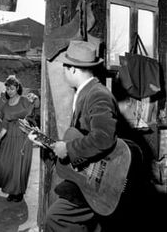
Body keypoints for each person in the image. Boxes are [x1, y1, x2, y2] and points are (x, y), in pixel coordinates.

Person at [28, 40, 123, 232]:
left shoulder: (97, 94)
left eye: (65, 67)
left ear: (73, 70)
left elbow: (104, 137)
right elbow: (82, 136)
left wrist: (69, 148)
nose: (63, 72)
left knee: (55, 219)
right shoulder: (86, 92)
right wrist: (49, 144)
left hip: (99, 181)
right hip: (86, 175)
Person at [0, 75, 34, 202]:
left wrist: (36, 99)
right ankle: (12, 191)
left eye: (11, 88)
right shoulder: (5, 106)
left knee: (19, 165)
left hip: (22, 136)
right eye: (7, 89)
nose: (9, 91)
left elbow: (34, 110)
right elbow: (4, 126)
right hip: (10, 137)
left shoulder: (24, 100)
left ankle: (19, 192)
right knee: (8, 164)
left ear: (17, 88)